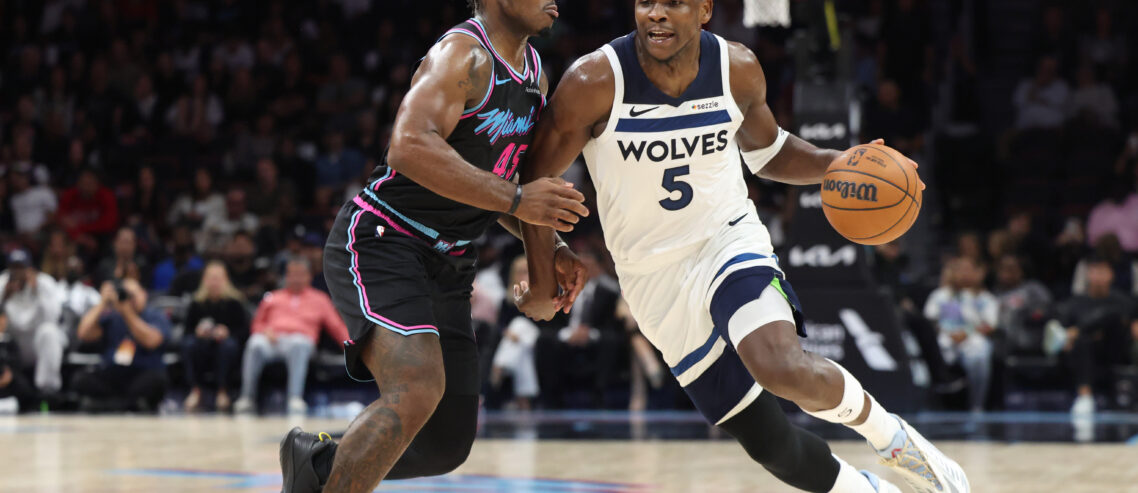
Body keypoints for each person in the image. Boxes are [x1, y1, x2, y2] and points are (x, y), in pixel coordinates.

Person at [515, 2, 969, 492]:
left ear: (704, 9)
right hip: (650, 277)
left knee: (780, 366)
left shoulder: (736, 67)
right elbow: (535, 178)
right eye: (646, 2)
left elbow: (767, 151)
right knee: (771, 446)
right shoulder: (594, 81)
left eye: (674, 2)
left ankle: (894, 439)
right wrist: (543, 275)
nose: (656, 14)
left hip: (726, 238)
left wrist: (837, 164)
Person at [278, 1, 591, 491]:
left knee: (445, 443)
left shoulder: (535, 75)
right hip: (386, 238)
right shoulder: (462, 55)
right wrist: (518, 198)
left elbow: (495, 185)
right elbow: (408, 146)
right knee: (417, 388)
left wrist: (552, 245)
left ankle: (317, 465)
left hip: (450, 261)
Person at [233, 258, 349, 416]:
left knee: (298, 344)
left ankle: (295, 398)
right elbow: (257, 324)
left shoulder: (320, 299)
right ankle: (247, 398)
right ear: (286, 276)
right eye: (292, 274)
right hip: (272, 341)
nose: (296, 278)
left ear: (309, 276)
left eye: (300, 274)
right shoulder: (273, 297)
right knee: (254, 343)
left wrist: (353, 348)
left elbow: (336, 327)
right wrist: (265, 331)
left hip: (301, 341)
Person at [73, 278, 172, 413]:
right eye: (125, 295)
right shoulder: (113, 316)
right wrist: (102, 303)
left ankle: (115, 404)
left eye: (132, 295)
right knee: (81, 378)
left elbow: (151, 341)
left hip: (141, 373)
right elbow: (83, 333)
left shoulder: (155, 316)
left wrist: (128, 313)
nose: (129, 299)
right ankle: (124, 404)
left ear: (144, 294)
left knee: (157, 381)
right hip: (113, 373)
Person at [1054, 257, 1135, 416]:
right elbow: (1064, 332)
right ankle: (1085, 397)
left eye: (1102, 271)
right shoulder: (1075, 303)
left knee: (1112, 316)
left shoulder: (1124, 301)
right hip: (1082, 353)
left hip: (1113, 350)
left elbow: (1125, 325)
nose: (1098, 276)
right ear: (1088, 275)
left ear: (1111, 274)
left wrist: (1078, 330)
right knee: (1082, 341)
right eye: (1094, 271)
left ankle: (1080, 332)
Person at [924, 256, 999, 412]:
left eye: (967, 269)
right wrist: (947, 332)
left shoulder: (985, 299)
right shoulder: (939, 295)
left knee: (979, 352)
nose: (963, 273)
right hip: (945, 339)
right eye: (959, 269)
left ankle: (976, 406)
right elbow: (928, 321)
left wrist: (966, 333)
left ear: (977, 273)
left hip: (972, 340)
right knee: (929, 347)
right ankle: (930, 405)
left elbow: (990, 325)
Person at [182, 261, 248, 413]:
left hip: (224, 347)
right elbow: (186, 331)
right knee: (189, 344)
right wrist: (198, 332)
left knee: (228, 346)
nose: (214, 282)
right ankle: (195, 390)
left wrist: (227, 332)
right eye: (211, 278)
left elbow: (244, 332)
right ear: (204, 280)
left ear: (226, 280)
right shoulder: (196, 303)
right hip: (202, 345)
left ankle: (222, 391)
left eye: (218, 278)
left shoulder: (235, 303)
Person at [0, 250, 67, 395]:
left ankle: (47, 391)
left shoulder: (44, 283)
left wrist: (36, 290)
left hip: (37, 342)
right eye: (14, 268)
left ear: (29, 268)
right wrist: (4, 297)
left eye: (21, 268)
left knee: (49, 331)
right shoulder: (3, 283)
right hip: (13, 345)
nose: (17, 273)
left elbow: (54, 318)